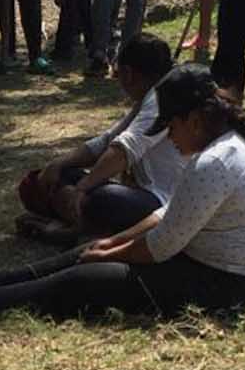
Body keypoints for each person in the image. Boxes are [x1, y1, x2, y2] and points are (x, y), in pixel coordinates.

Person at [0, 67, 245, 324]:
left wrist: (111, 253)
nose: (170, 137)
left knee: (89, 278)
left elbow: (161, 246)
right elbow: (167, 214)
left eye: (171, 127)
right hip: (205, 267)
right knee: (92, 251)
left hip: (227, 289)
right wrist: (111, 243)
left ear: (194, 121)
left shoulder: (215, 161)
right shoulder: (218, 151)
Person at [17, 33, 176, 235]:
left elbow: (123, 150)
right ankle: (80, 222)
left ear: (128, 74)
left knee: (104, 200)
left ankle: (79, 226)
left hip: (164, 201)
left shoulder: (160, 99)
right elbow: (106, 142)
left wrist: (81, 188)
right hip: (142, 194)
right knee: (40, 181)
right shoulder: (149, 98)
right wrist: (58, 164)